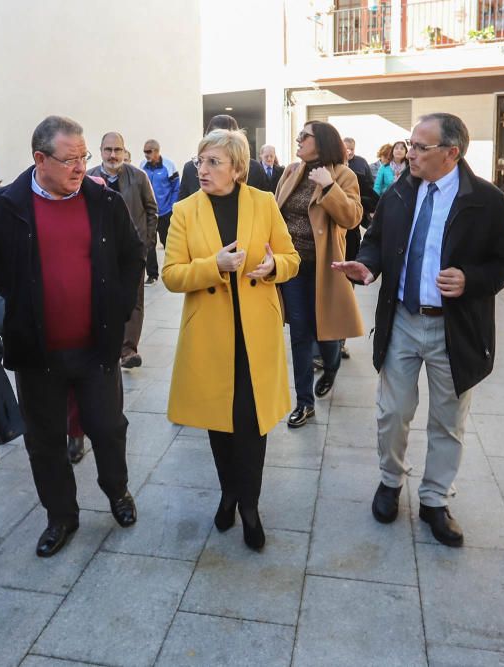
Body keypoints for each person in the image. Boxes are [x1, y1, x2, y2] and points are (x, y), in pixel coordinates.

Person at [333, 113, 504, 547]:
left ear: (451, 153)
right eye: (409, 144)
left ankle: (435, 499)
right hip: (401, 321)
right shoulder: (399, 191)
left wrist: (471, 280)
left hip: (454, 328)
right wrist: (369, 265)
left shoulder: (486, 201)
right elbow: (377, 240)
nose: (408, 153)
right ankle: (390, 481)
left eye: (420, 147)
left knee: (448, 420)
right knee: (392, 412)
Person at [0, 116, 144, 558]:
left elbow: (131, 256)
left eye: (83, 157)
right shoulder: (3, 208)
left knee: (107, 428)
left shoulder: (103, 201)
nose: (80, 167)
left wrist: (121, 309)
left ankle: (117, 492)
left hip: (96, 345)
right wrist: (5, 318)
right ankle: (61, 516)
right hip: (37, 352)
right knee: (45, 440)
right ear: (39, 160)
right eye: (70, 159)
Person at [163, 129, 300, 551]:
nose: (202, 170)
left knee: (252, 422)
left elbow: (292, 258)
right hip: (210, 335)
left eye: (213, 163)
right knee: (219, 422)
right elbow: (171, 275)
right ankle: (227, 493)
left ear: (238, 168)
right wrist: (213, 265)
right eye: (200, 161)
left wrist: (274, 265)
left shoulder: (263, 202)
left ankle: (250, 507)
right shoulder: (185, 210)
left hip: (256, 333)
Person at [275, 120, 364, 428]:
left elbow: (352, 218)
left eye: (305, 136)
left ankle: (331, 365)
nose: (298, 139)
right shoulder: (291, 171)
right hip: (293, 268)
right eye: (299, 135)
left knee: (326, 331)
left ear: (322, 141)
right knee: (299, 332)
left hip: (325, 266)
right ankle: (304, 403)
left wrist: (328, 185)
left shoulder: (343, 174)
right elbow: (276, 213)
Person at [89, 131, 159, 369]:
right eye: (108, 150)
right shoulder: (88, 179)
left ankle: (128, 350)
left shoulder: (138, 177)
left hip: (132, 252)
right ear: (100, 152)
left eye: (117, 149)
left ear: (124, 151)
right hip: (99, 252)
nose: (113, 154)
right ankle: (105, 343)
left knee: (133, 299)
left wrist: (147, 243)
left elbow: (152, 210)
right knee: (100, 298)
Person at [178, 114, 267, 201]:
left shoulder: (255, 169)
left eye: (214, 162)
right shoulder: (190, 168)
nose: (202, 171)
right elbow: (182, 201)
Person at [140, 139, 180, 285]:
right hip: (149, 213)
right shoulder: (142, 167)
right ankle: (152, 275)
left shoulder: (169, 166)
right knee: (150, 243)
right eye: (144, 151)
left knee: (167, 242)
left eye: (148, 151)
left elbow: (176, 187)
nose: (146, 155)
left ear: (157, 151)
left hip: (165, 212)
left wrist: (172, 205)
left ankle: (173, 269)